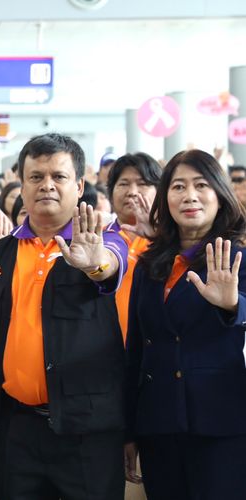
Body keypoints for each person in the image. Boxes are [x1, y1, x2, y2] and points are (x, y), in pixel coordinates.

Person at [0, 133, 129, 499]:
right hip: (16, 432)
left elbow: (109, 266)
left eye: (59, 176)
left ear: (80, 185)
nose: (47, 186)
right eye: (36, 177)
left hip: (88, 436)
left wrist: (95, 264)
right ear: (21, 186)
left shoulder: (105, 240)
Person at [124, 149, 246, 499]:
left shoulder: (238, 258)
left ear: (220, 196)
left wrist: (234, 305)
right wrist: (129, 430)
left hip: (222, 423)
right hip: (158, 423)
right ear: (166, 199)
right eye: (178, 187)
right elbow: (135, 349)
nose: (189, 195)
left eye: (201, 185)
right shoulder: (149, 265)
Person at [106, 152, 161, 340]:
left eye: (142, 184)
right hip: (107, 350)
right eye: (123, 184)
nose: (132, 191)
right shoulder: (98, 239)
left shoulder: (172, 241)